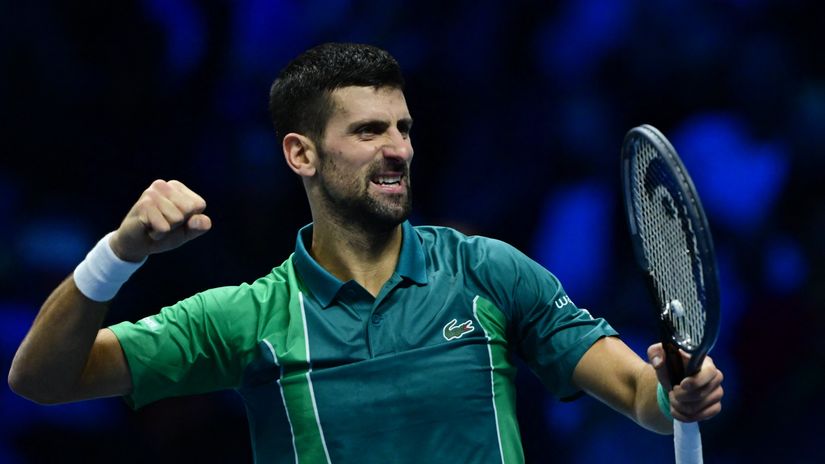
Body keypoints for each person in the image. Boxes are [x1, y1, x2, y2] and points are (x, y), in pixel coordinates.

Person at [9, 43, 723, 463]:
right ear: (301, 153)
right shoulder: (249, 318)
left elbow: (640, 395)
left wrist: (677, 394)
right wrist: (119, 252)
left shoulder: (487, 270)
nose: (397, 150)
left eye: (404, 129)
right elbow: (42, 379)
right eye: (369, 131)